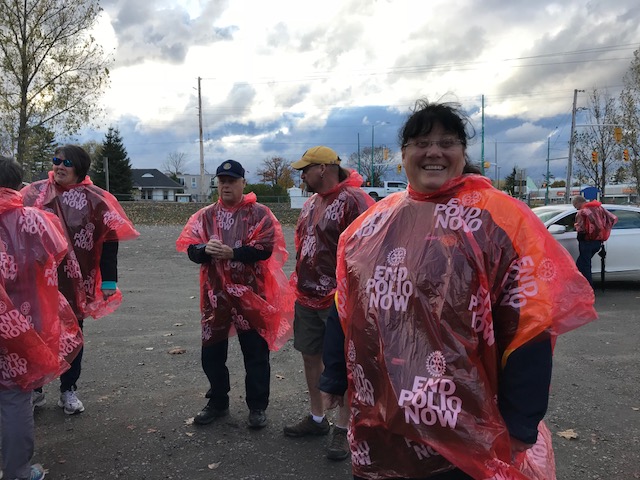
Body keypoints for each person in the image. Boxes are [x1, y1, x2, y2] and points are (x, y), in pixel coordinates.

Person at [320, 99, 598, 479]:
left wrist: (521, 423)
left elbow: (529, 327)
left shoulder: (501, 219)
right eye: (421, 142)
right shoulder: (368, 228)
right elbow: (345, 309)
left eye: (447, 142)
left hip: (465, 424)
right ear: (403, 154)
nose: (433, 151)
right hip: (381, 418)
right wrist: (334, 378)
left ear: (462, 153)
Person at [21, 145, 139, 415]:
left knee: (73, 335)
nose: (59, 166)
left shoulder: (95, 199)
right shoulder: (35, 193)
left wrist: (109, 281)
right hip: (38, 279)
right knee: (37, 333)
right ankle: (35, 390)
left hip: (76, 281)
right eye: (56, 161)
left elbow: (109, 240)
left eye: (67, 163)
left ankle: (68, 390)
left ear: (80, 169)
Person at [176, 159, 294, 429]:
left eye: (231, 181)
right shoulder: (205, 216)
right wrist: (204, 249)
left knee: (255, 351)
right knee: (212, 352)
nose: (226, 185)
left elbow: (265, 248)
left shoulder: (259, 213)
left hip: (250, 293)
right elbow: (190, 249)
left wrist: (234, 253)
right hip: (215, 294)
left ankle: (257, 407)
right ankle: (218, 401)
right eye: (222, 181)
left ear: (243, 182)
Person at [284, 146, 374, 461]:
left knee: (347, 363)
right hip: (308, 296)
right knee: (311, 356)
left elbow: (369, 251)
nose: (302, 175)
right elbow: (303, 245)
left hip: (342, 300)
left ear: (323, 168)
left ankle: (343, 428)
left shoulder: (355, 201)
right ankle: (317, 417)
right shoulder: (310, 204)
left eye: (305, 169)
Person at [1, 156, 83, 480]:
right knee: (14, 395)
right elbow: (57, 251)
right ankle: (18, 471)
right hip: (22, 323)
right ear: (19, 186)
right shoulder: (35, 220)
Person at [572, 195, 617, 286]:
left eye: (575, 205)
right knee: (581, 263)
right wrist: (604, 230)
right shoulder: (599, 208)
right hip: (598, 241)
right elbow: (612, 218)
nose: (575, 208)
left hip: (586, 241)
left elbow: (580, 228)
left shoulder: (582, 212)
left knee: (584, 265)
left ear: (578, 203)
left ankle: (587, 286)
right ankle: (580, 284)